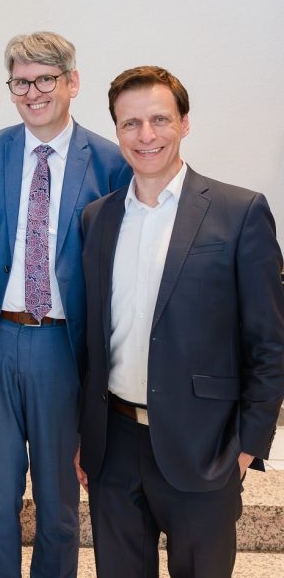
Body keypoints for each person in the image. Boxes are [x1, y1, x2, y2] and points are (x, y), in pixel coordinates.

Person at [77, 65, 284, 578]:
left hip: (206, 447)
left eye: (159, 120)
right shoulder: (96, 219)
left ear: (185, 123)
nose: (146, 136)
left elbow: (270, 342)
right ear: (116, 131)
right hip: (115, 444)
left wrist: (246, 448)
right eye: (130, 124)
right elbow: (91, 340)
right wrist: (85, 434)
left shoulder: (239, 212)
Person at [0, 32, 131, 577]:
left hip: (64, 348)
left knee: (60, 503)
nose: (33, 92)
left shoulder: (110, 162)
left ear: (72, 83)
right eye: (21, 82)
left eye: (45, 80)